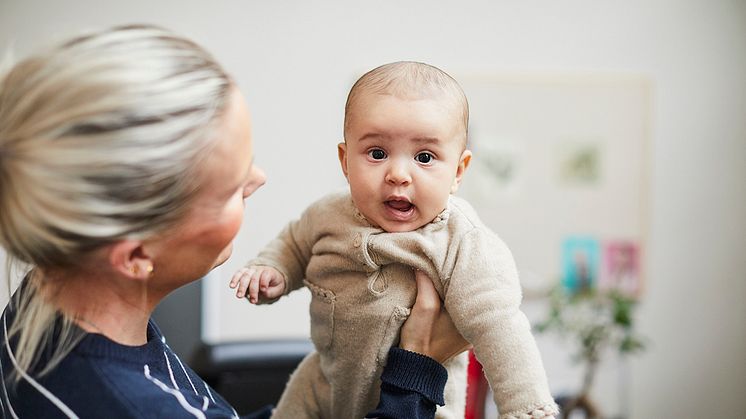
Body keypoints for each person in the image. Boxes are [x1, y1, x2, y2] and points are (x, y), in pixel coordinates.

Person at [0, 26, 469, 419]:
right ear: (138, 255)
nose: (257, 178)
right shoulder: (130, 406)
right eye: (230, 188)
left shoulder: (48, 292)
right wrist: (417, 366)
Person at [230, 62, 560, 419]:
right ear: (345, 161)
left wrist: (526, 406)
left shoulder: (459, 240)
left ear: (458, 172)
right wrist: (272, 269)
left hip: (423, 402)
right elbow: (294, 244)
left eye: (424, 157)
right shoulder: (326, 214)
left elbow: (500, 325)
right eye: (377, 153)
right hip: (323, 385)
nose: (398, 175)